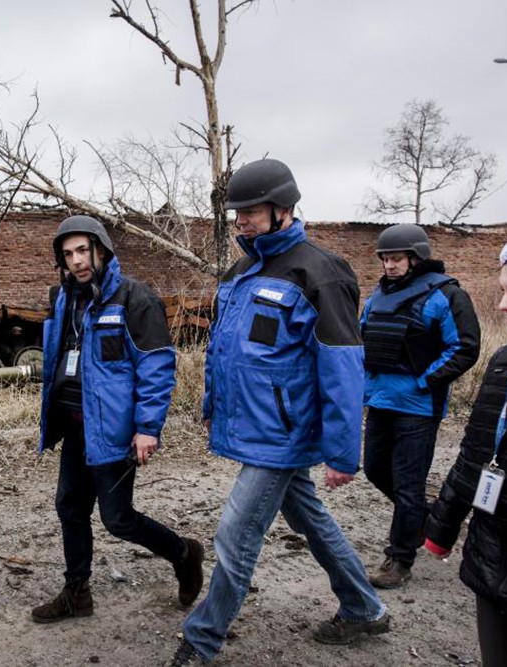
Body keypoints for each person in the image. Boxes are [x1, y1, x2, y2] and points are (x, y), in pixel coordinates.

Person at [169, 158, 389, 666]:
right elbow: (222, 351)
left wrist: (341, 451)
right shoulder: (241, 270)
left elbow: (341, 367)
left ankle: (201, 642)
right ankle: (364, 608)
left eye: (251, 210)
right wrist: (213, 406)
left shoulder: (321, 271)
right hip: (257, 424)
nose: (241, 220)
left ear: (284, 209)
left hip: (285, 433)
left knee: (235, 533)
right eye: (237, 212)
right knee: (307, 516)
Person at [31, 214, 205, 623]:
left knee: (118, 519)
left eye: (83, 250)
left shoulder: (134, 298)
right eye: (68, 253)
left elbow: (157, 368)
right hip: (75, 427)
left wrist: (148, 428)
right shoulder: (64, 298)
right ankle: (77, 593)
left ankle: (183, 553)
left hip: (113, 431)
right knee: (69, 508)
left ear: (103, 249)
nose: (76, 260)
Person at [424, 227, 507, 667]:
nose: (504, 304)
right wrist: (443, 524)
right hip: (491, 553)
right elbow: (475, 453)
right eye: (504, 290)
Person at [360, 224, 480, 589]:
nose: (389, 265)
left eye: (396, 258)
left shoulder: (445, 294)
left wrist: (426, 380)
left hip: (417, 407)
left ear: (415, 258)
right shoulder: (378, 296)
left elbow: (464, 347)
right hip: (381, 400)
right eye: (385, 259)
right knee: (376, 470)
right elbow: (364, 339)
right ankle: (426, 519)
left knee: (409, 485)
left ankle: (399, 559)